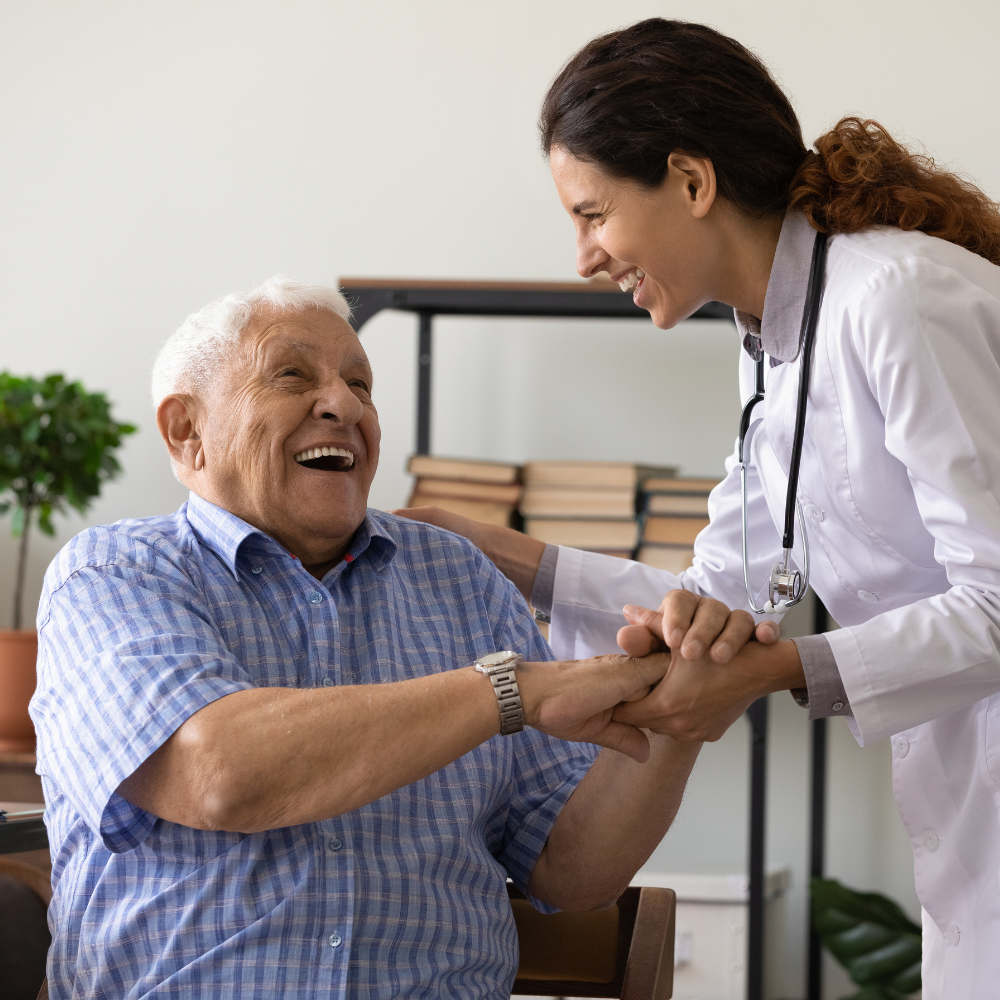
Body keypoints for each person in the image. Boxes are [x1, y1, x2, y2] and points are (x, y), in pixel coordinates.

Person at [397, 18, 1000, 999]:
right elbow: (724, 587)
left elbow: (996, 599)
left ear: (689, 180)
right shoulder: (769, 337)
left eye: (591, 213)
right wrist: (499, 553)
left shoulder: (895, 296)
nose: (585, 256)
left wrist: (773, 672)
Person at [29, 276, 707, 999]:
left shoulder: (459, 577)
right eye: (292, 374)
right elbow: (221, 774)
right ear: (186, 431)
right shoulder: (113, 575)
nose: (345, 404)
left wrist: (683, 705)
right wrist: (510, 690)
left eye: (362, 383)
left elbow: (572, 872)